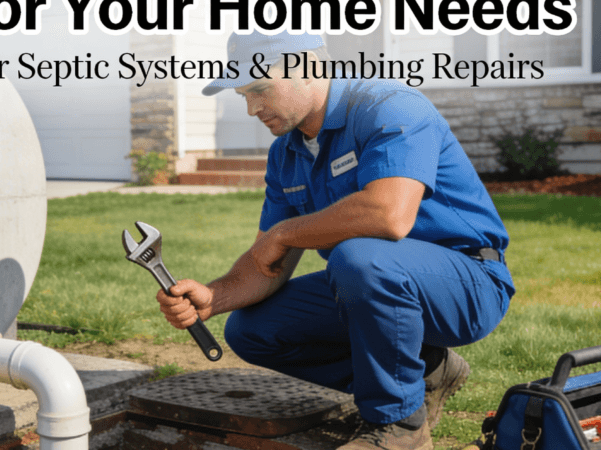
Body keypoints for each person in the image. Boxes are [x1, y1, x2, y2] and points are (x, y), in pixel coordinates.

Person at [155, 32, 516, 450]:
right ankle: (427, 370)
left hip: (469, 282)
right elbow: (268, 263)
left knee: (358, 258)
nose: (253, 108)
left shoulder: (389, 106)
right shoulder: (286, 153)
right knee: (251, 329)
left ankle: (400, 426)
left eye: (259, 89)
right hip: (380, 282)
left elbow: (388, 215)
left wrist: (285, 232)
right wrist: (213, 296)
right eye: (243, 95)